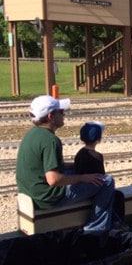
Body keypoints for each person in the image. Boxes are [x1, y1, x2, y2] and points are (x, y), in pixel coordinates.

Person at [16, 95, 116, 233]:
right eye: (61, 112)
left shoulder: (31, 134)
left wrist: (73, 166)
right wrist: (83, 178)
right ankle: (95, 229)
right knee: (106, 182)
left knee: (80, 172)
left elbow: (45, 167)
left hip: (31, 192)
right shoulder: (51, 140)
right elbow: (53, 179)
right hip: (47, 197)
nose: (64, 115)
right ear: (51, 116)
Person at [75, 121, 125, 223]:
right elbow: (101, 176)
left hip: (87, 186)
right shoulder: (96, 156)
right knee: (118, 197)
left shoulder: (80, 154)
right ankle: (117, 224)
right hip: (92, 189)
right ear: (99, 139)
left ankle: (116, 223)